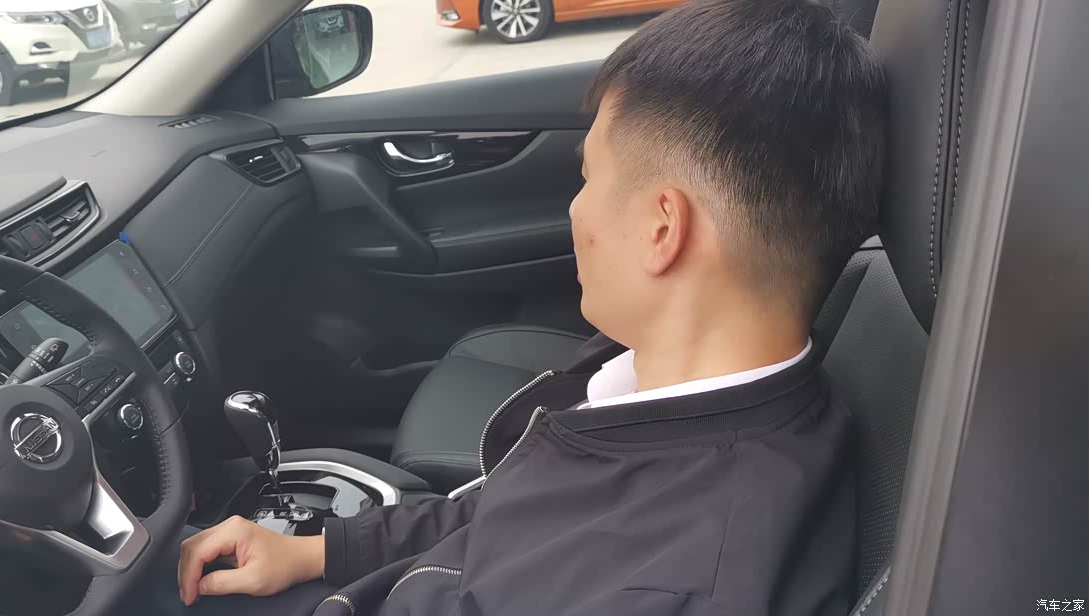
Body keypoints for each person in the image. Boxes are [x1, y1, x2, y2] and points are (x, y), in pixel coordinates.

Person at [128, 0, 887, 613]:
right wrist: (320, 551)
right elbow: (510, 511)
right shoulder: (666, 388)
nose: (576, 211)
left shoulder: (679, 583)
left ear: (663, 229)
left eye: (588, 178)